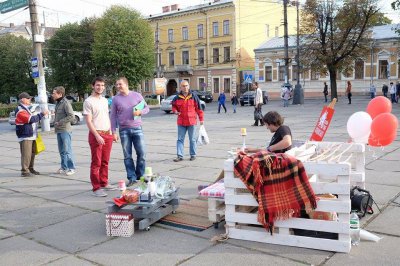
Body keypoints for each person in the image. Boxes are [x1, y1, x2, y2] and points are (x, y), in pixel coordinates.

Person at [110, 77, 149, 187]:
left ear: (126, 84)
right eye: (116, 84)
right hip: (124, 130)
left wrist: (141, 111)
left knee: (142, 154)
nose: (117, 86)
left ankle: (140, 175)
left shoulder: (137, 95)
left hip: (137, 128)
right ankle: (131, 177)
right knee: (127, 156)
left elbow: (147, 108)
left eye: (120, 84)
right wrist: (113, 131)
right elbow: (112, 116)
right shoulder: (116, 99)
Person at [83, 77, 116, 197]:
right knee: (96, 162)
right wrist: (97, 135)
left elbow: (107, 117)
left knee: (105, 161)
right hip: (96, 134)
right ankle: (96, 188)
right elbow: (89, 121)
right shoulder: (88, 101)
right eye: (98, 85)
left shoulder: (104, 100)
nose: (100, 87)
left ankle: (104, 182)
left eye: (102, 85)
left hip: (107, 134)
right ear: (93, 86)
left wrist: (112, 132)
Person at [15, 92, 49, 177]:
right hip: (25, 135)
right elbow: (31, 119)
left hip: (31, 135)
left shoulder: (26, 108)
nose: (30, 99)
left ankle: (30, 168)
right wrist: (42, 114)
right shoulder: (20, 110)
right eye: (28, 98)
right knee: (26, 154)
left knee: (32, 153)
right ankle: (24, 171)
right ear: (23, 99)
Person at [171, 80, 204, 162]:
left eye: (186, 86)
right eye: (183, 86)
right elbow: (173, 106)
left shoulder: (194, 96)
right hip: (181, 122)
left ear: (189, 86)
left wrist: (201, 120)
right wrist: (175, 111)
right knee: (180, 139)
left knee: (192, 139)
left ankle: (193, 155)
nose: (185, 87)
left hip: (191, 122)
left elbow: (199, 109)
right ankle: (180, 156)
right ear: (180, 87)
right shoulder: (177, 97)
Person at [52, 86, 76, 176]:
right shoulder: (58, 103)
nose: (52, 95)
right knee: (61, 151)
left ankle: (71, 168)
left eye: (54, 93)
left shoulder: (65, 103)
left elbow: (71, 116)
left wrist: (60, 122)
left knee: (67, 150)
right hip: (59, 130)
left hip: (65, 130)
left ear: (60, 94)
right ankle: (64, 167)